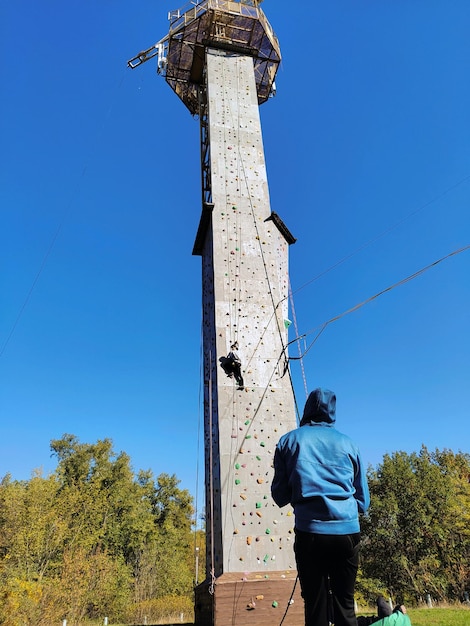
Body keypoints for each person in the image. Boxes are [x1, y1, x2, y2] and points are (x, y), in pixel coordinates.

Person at [271, 388, 370, 626]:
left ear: (307, 410)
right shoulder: (349, 444)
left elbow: (279, 495)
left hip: (309, 533)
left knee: (315, 606)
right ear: (332, 412)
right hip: (347, 533)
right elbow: (363, 500)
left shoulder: (288, 441)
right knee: (345, 605)